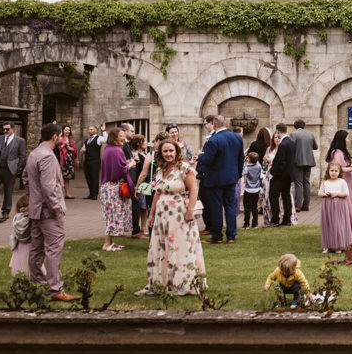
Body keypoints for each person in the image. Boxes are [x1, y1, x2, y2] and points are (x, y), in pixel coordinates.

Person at [135, 139, 205, 297]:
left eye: (171, 151)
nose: (168, 154)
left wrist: (190, 210)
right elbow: (157, 194)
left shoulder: (184, 169)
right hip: (161, 216)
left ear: (177, 152)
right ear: (160, 153)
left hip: (179, 215)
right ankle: (160, 282)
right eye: (165, 151)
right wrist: (151, 214)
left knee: (179, 247)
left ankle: (182, 282)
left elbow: (194, 189)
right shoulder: (160, 170)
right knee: (161, 248)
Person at [23, 123, 78, 302]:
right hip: (48, 211)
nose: (62, 138)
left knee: (36, 249)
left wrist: (33, 196)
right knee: (53, 249)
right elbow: (48, 186)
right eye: (61, 135)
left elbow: (25, 177)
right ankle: (55, 289)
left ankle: (37, 283)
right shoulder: (47, 156)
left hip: (36, 210)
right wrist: (57, 208)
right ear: (55, 137)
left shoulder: (34, 153)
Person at [197, 114, 244, 245]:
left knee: (216, 207)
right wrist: (238, 175)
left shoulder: (213, 140)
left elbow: (208, 160)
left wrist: (200, 156)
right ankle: (231, 236)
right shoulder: (237, 138)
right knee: (230, 206)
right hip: (231, 178)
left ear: (214, 125)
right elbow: (240, 159)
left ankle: (217, 236)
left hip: (215, 179)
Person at [327, 130, 352, 243]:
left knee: (350, 205)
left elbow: (344, 165)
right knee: (347, 206)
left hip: (347, 181)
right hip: (343, 182)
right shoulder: (338, 153)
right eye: (347, 138)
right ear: (342, 139)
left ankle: (351, 232)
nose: (348, 140)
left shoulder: (340, 152)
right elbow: (338, 168)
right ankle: (347, 233)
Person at [99, 126, 136, 252]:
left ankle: (110, 242)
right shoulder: (117, 151)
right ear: (114, 138)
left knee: (110, 215)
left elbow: (116, 166)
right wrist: (130, 164)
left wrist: (125, 163)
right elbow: (120, 170)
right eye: (121, 136)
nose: (123, 138)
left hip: (107, 187)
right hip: (114, 188)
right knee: (112, 215)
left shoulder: (108, 149)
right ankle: (106, 244)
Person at [318, 161, 352, 253]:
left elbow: (346, 193)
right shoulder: (325, 182)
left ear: (339, 172)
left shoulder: (342, 182)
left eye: (336, 171)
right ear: (328, 171)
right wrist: (325, 194)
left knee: (338, 224)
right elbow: (319, 193)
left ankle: (338, 246)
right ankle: (327, 245)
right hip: (327, 206)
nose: (333, 172)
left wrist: (336, 194)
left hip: (339, 206)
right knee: (327, 224)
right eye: (331, 170)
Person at [0, 122, 27, 220]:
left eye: (7, 129)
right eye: (3, 129)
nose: (5, 131)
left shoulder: (20, 141)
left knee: (8, 192)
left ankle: (6, 211)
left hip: (10, 170)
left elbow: (22, 156)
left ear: (12, 129)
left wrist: (17, 169)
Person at [268, 122, 297, 227]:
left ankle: (275, 219)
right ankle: (287, 219)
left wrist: (273, 172)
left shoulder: (283, 144)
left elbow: (280, 162)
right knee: (286, 196)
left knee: (273, 196)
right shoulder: (291, 142)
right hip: (288, 175)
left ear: (278, 131)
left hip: (280, 175)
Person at [291, 120, 318, 212]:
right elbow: (315, 147)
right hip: (309, 161)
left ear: (295, 126)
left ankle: (298, 205)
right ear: (304, 126)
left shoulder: (293, 134)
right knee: (306, 182)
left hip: (298, 161)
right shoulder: (310, 134)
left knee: (298, 183)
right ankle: (306, 205)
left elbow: (291, 147)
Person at [82, 124, 106, 200]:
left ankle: (95, 194)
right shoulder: (87, 140)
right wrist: (83, 150)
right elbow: (83, 149)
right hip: (87, 161)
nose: (89, 131)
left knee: (94, 177)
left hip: (95, 161)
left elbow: (106, 139)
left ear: (96, 130)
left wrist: (103, 130)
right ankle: (91, 193)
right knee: (88, 177)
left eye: (91, 129)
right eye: (89, 129)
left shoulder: (99, 138)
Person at [9, 193, 31, 275]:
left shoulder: (16, 218)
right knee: (25, 262)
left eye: (25, 206)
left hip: (19, 243)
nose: (23, 209)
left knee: (23, 261)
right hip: (27, 243)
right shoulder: (27, 218)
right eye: (20, 207)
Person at [241, 152, 264, 229]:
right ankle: (255, 223)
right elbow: (256, 162)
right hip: (256, 189)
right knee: (254, 207)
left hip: (248, 190)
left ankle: (246, 223)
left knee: (247, 208)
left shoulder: (247, 168)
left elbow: (243, 172)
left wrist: (245, 162)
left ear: (249, 159)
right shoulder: (259, 166)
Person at [56, 126, 77, 199]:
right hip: (62, 160)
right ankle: (59, 194)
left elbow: (75, 150)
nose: (67, 131)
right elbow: (57, 149)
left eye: (68, 130)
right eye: (66, 130)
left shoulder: (71, 140)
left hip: (69, 160)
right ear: (63, 131)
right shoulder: (60, 139)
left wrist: (70, 148)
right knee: (60, 177)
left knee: (67, 178)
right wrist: (64, 145)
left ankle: (67, 193)